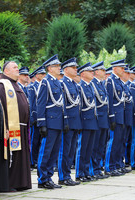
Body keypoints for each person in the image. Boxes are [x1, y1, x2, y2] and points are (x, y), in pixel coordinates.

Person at [0, 61, 31, 191]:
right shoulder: (2, 86)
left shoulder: (15, 84)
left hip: (21, 126)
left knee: (21, 157)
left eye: (17, 67)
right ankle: (11, 183)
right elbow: (0, 108)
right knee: (13, 157)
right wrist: (4, 128)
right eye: (14, 67)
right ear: (6, 71)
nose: (18, 69)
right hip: (10, 128)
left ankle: (21, 182)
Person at [36, 54, 67, 189]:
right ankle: (42, 179)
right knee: (46, 151)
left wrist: (64, 121)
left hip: (58, 122)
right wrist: (41, 123)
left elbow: (61, 104)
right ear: (50, 68)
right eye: (56, 66)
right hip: (49, 122)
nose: (59, 68)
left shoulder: (56, 82)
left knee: (54, 152)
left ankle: (48, 177)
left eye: (59, 66)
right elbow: (41, 104)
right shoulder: (46, 82)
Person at [57, 58, 82, 186]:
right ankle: (63, 176)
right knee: (64, 150)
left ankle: (67, 175)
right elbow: (63, 105)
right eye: (74, 68)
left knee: (71, 150)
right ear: (66, 70)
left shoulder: (73, 84)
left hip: (75, 121)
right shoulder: (62, 84)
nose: (76, 69)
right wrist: (65, 121)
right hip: (67, 122)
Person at [75, 62, 99, 182]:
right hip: (84, 121)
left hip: (92, 121)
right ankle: (80, 173)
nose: (92, 73)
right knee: (82, 148)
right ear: (83, 74)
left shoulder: (90, 86)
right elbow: (79, 107)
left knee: (89, 149)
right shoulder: (80, 87)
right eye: (90, 71)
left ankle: (86, 171)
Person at [105, 59, 126, 176]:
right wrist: (112, 117)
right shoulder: (110, 81)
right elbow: (109, 101)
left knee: (119, 141)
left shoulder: (119, 81)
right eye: (121, 68)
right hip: (115, 116)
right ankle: (109, 166)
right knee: (113, 142)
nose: (123, 70)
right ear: (114, 68)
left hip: (121, 116)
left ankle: (117, 164)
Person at [90, 61, 110, 179]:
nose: (105, 72)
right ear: (96, 72)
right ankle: (93, 169)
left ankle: (98, 168)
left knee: (101, 146)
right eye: (102, 70)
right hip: (97, 119)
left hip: (104, 120)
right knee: (95, 146)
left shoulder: (102, 84)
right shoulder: (92, 84)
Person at [28, 66, 46, 169]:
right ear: (37, 75)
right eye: (41, 74)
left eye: (44, 74)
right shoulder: (32, 86)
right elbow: (32, 103)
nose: (43, 76)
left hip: (42, 117)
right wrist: (33, 117)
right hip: (35, 118)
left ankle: (38, 159)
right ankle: (32, 160)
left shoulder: (43, 85)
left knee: (40, 140)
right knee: (34, 141)